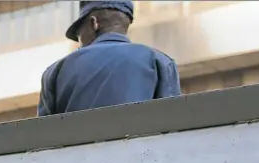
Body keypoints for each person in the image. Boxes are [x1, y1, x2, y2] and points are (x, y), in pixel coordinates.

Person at [38, 1, 181, 117]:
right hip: (142, 152)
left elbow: (43, 140)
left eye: (79, 35)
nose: (79, 42)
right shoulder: (160, 62)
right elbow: (172, 124)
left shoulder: (56, 71)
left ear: (94, 23)